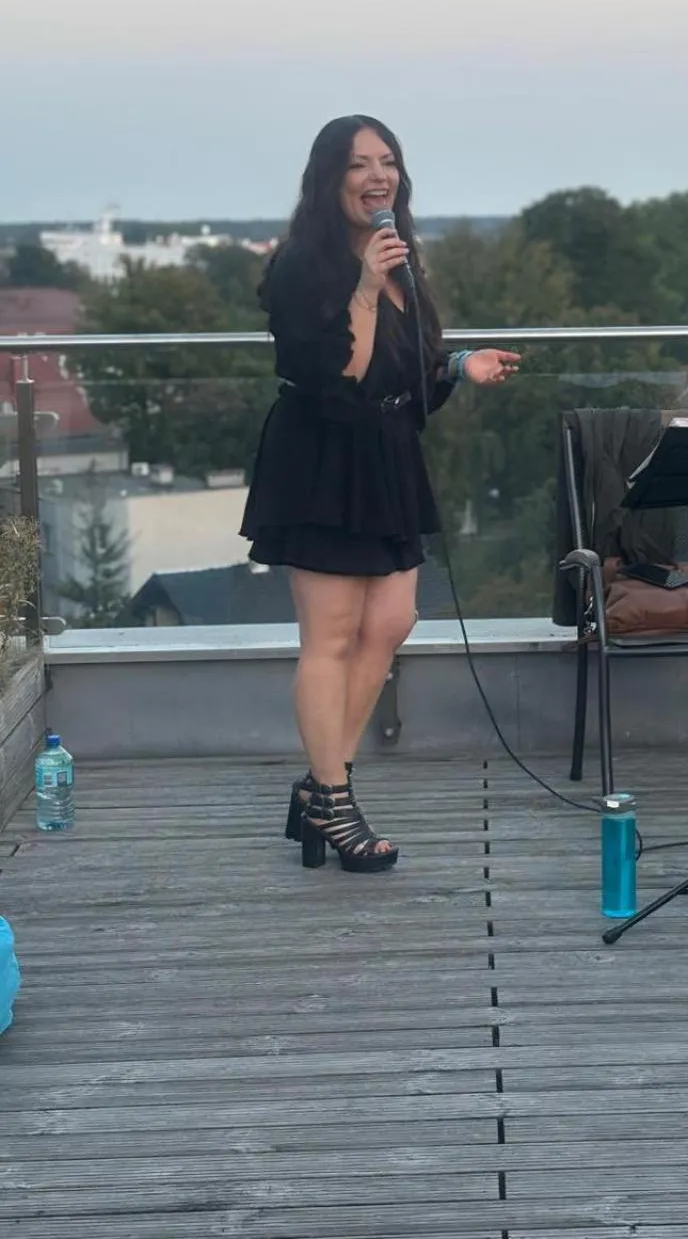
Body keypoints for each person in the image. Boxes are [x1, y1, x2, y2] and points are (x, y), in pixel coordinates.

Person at [240, 115, 520, 873]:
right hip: (325, 461)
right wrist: (364, 285)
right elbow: (341, 374)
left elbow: (409, 368)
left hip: (389, 460)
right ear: (329, 177)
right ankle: (333, 796)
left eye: (387, 162)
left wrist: (461, 366)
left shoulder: (403, 260)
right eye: (360, 163)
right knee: (329, 637)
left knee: (391, 623)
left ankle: (318, 787)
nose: (378, 176)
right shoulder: (303, 265)